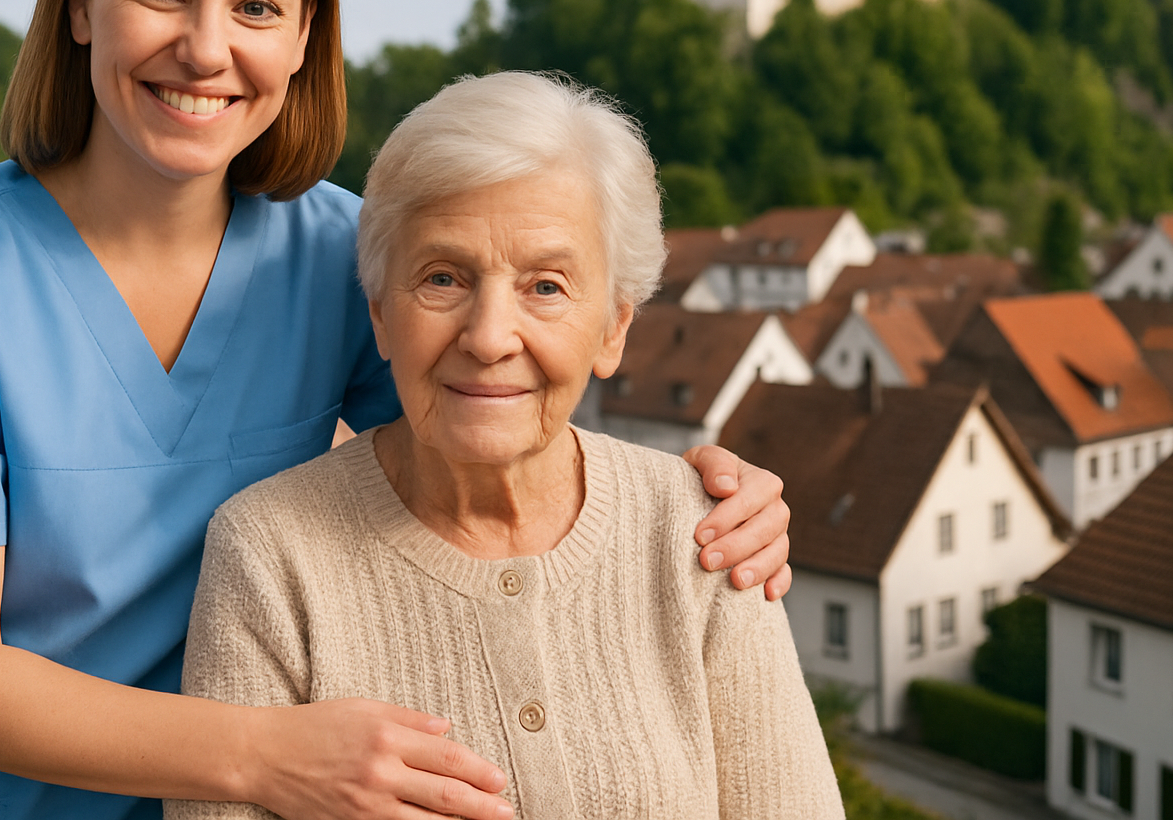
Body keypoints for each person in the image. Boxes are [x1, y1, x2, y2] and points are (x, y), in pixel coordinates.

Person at [0, 0, 792, 820]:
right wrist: (265, 753)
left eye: (256, 7)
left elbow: (494, 417)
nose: (206, 47)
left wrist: (701, 495)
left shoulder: (343, 256)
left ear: (306, 31)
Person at [167, 73, 842, 819]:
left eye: (545, 286)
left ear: (614, 326)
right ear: (382, 315)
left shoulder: (707, 536)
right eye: (443, 278)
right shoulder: (268, 553)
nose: (489, 338)